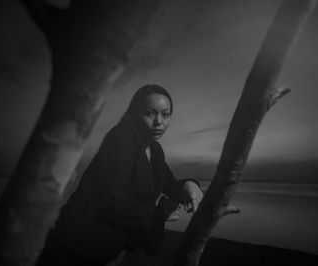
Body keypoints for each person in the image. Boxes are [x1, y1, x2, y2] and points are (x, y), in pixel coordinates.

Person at [37, 84, 204, 266]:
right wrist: (160, 214)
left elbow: (168, 183)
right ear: (134, 113)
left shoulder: (155, 150)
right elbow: (114, 200)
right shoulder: (121, 138)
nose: (159, 122)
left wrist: (189, 185)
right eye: (149, 113)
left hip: (109, 244)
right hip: (77, 242)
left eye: (165, 114)